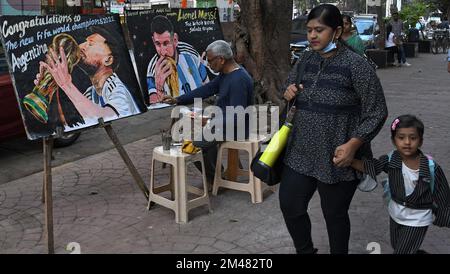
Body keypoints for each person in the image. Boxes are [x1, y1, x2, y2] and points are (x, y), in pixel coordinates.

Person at [281, 4, 388, 254]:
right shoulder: (305, 59)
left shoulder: (356, 65)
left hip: (338, 157)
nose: (312, 36)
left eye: (319, 30)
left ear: (337, 31)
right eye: (309, 30)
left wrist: (353, 146)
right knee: (290, 205)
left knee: (334, 215)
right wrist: (289, 91)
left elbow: (377, 111)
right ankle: (305, 251)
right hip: (301, 152)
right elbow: (290, 82)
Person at [351, 115, 450, 254]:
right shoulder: (391, 159)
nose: (407, 142)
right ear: (394, 140)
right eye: (401, 137)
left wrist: (445, 214)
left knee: (402, 251)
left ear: (420, 141)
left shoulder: (431, 167)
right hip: (396, 213)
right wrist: (350, 161)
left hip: (418, 218)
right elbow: (374, 166)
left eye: (413, 138)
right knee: (398, 245)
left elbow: (443, 194)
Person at [163, 40, 254, 185]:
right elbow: (207, 89)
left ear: (221, 59)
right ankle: (217, 175)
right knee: (198, 131)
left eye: (210, 61)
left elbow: (237, 117)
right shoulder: (227, 74)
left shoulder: (238, 80)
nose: (208, 64)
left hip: (236, 129)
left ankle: (215, 179)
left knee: (192, 145)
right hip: (223, 123)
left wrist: (211, 121)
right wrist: (178, 100)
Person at [36, 26, 140, 120]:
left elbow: (106, 117)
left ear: (108, 60)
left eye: (91, 44)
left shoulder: (117, 90)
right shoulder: (91, 93)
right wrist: (51, 88)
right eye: (85, 41)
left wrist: (66, 85)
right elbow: (74, 123)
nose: (81, 46)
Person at [147, 15, 209, 104]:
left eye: (166, 43)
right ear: (153, 41)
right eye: (158, 44)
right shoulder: (152, 69)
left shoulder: (190, 53)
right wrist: (159, 88)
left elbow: (207, 83)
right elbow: (153, 104)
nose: (163, 52)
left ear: (175, 40)